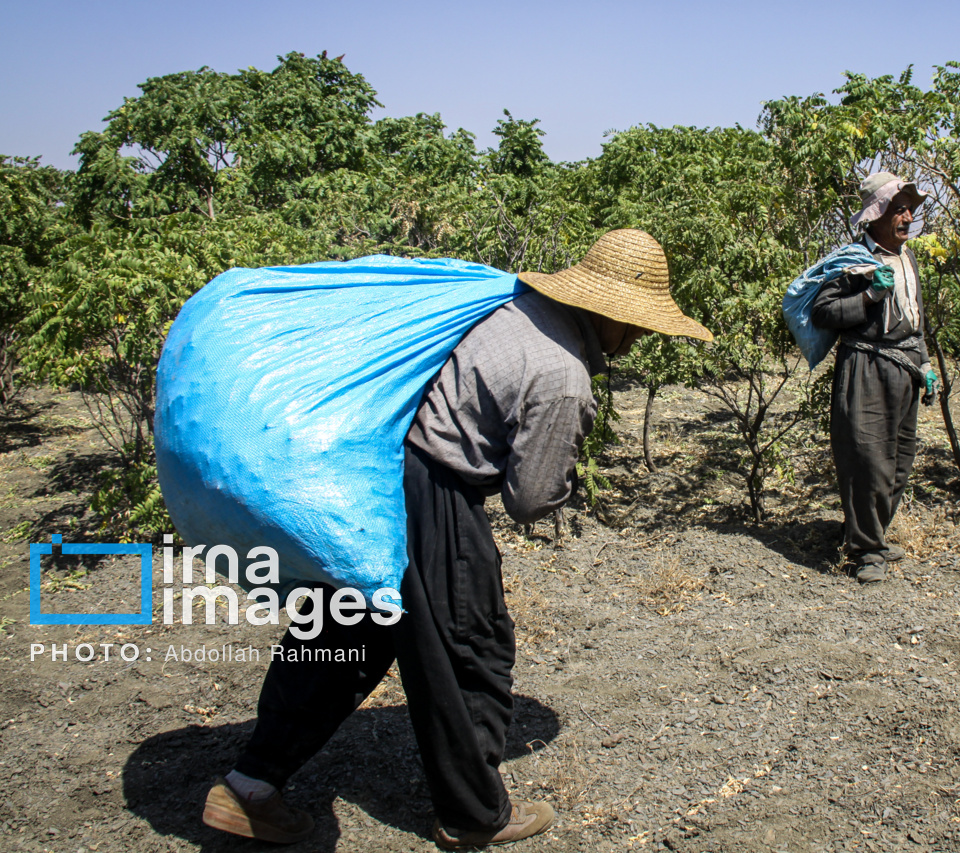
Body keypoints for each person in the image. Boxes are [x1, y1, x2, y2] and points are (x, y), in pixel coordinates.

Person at [200, 229, 711, 848]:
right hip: (434, 495)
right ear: (612, 316)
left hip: (375, 476)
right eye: (639, 328)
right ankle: (474, 815)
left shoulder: (504, 309)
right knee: (469, 647)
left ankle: (248, 785)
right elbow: (531, 501)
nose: (637, 342)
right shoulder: (563, 375)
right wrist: (564, 482)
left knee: (343, 635)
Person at [811, 173, 937, 585]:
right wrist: (868, 295)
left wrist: (927, 365)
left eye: (909, 209)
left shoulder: (907, 259)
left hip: (904, 369)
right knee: (866, 461)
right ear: (876, 215)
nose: (906, 217)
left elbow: (916, 323)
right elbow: (824, 313)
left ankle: (870, 536)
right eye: (897, 209)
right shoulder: (852, 261)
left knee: (899, 460)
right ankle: (866, 552)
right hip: (864, 366)